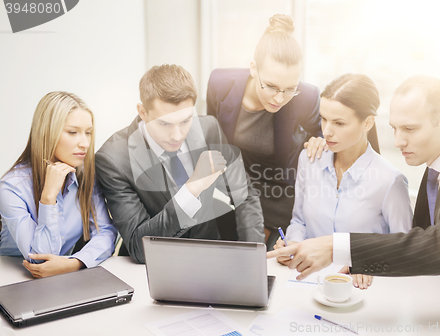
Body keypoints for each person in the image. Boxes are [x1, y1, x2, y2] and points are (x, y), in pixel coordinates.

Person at [268, 75, 440, 326]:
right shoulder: (438, 165)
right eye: (394, 128)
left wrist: (340, 249)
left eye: (410, 129)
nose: (398, 141)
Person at [95, 64, 264, 264]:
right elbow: (138, 247)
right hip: (155, 267)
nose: (177, 136)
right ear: (143, 112)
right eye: (164, 124)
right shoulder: (113, 159)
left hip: (210, 257)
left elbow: (244, 194)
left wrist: (255, 256)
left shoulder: (208, 128)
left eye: (185, 121)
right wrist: (191, 189)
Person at [274, 74, 412, 289]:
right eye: (323, 119)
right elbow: (299, 221)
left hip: (361, 290)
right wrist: (293, 244)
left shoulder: (390, 181)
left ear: (367, 123)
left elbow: (405, 251)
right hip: (306, 283)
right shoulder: (309, 160)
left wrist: (369, 263)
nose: (327, 131)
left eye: (339, 123)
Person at [207, 14, 326, 249]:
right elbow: (212, 136)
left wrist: (320, 141)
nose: (280, 98)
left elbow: (325, 136)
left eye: (290, 88)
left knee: (273, 262)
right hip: (235, 190)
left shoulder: (307, 97)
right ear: (253, 68)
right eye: (271, 86)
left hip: (280, 196)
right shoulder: (220, 84)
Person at [0, 92, 117, 278]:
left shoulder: (86, 176)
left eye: (88, 133)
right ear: (47, 132)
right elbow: (38, 259)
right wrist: (48, 198)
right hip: (13, 279)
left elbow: (106, 233)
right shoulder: (12, 187)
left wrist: (75, 263)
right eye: (73, 132)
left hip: (61, 277)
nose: (85, 143)